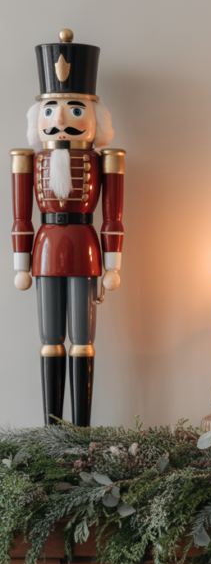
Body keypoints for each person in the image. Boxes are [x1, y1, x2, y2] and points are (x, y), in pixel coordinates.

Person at [10, 29, 125, 426]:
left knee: (83, 339)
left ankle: (81, 429)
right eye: (51, 110)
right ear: (37, 118)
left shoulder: (104, 158)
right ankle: (52, 428)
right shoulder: (30, 159)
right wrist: (20, 263)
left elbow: (113, 216)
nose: (60, 119)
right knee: (49, 340)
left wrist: (114, 265)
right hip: (44, 247)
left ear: (94, 118)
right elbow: (21, 216)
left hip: (85, 245)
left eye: (75, 110)